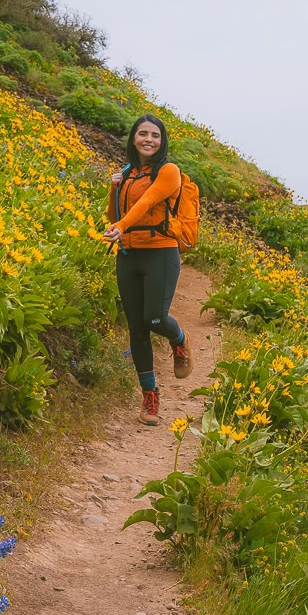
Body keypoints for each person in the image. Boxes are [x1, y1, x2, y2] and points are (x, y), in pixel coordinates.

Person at [102, 114, 192, 425]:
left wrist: (121, 226)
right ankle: (150, 397)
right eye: (142, 134)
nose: (148, 139)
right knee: (137, 328)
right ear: (134, 138)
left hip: (161, 254)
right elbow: (115, 212)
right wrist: (112, 189)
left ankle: (178, 339)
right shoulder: (127, 173)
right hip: (129, 255)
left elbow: (148, 202)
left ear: (162, 140)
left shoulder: (169, 171)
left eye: (155, 135)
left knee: (155, 318)